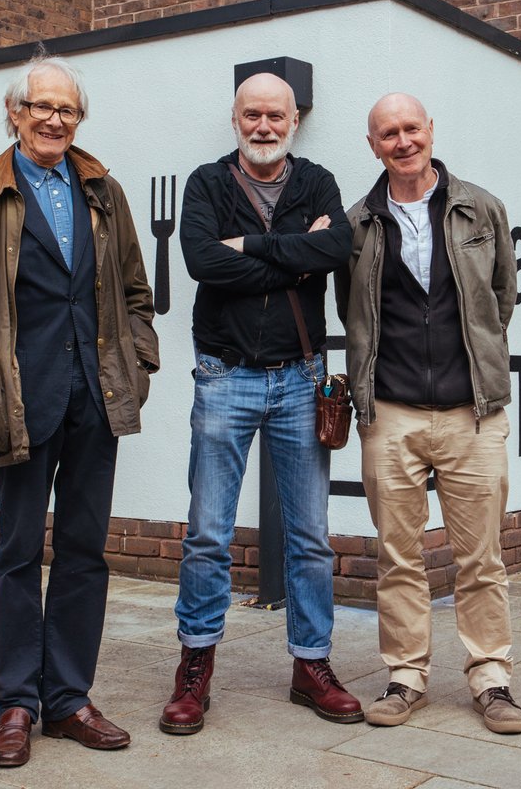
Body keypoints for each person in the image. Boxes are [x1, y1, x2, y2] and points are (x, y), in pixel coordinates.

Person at [0, 52, 159, 768]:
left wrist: (137, 367)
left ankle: (70, 700)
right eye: (42, 107)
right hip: (17, 408)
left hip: (97, 401)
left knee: (84, 554)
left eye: (68, 110)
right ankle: (17, 703)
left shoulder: (103, 194)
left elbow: (137, 298)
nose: (55, 120)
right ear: (14, 114)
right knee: (19, 555)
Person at [161, 71, 363, 735]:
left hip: (302, 381)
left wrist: (248, 245)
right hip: (226, 376)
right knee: (208, 537)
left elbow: (337, 248)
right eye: (253, 115)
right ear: (235, 119)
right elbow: (200, 262)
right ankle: (195, 670)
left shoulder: (318, 182)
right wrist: (296, 258)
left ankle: (312, 666)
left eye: (276, 115)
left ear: (294, 121)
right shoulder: (206, 183)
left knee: (308, 537)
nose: (264, 126)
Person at [336, 93, 521, 735]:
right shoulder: (358, 222)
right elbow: (352, 313)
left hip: (474, 414)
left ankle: (491, 679)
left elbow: (502, 298)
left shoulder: (481, 208)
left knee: (482, 557)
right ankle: (405, 676)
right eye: (387, 133)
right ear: (374, 146)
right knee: (399, 557)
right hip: (390, 415)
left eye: (410, 128)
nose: (401, 141)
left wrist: (476, 366)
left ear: (430, 131)